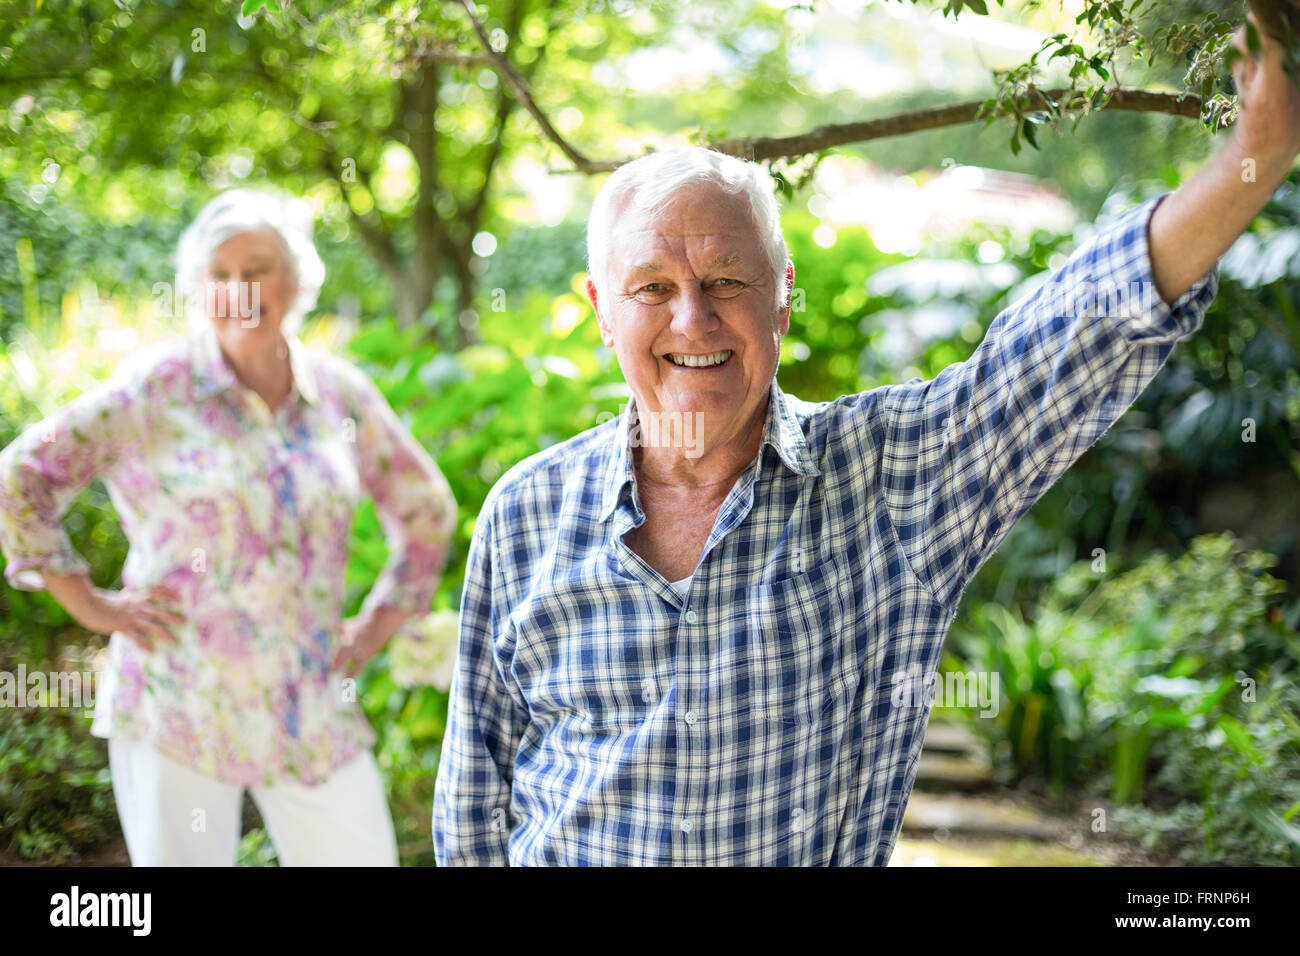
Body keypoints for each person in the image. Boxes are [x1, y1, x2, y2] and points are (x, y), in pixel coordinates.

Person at [431, 15, 1299, 865]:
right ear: (600, 310)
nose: (692, 318)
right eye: (652, 286)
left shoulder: (890, 480)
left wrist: (1252, 156)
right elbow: (474, 810)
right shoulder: (525, 512)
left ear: (781, 295)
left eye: (726, 279)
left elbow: (1069, 346)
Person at [0, 188, 458, 866]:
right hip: (177, 700)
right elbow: (22, 477)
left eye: (258, 269)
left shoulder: (339, 394)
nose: (239, 288)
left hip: (310, 704)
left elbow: (426, 508)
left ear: (296, 280)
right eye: (220, 274)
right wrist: (90, 605)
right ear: (199, 289)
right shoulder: (155, 390)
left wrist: (379, 623)